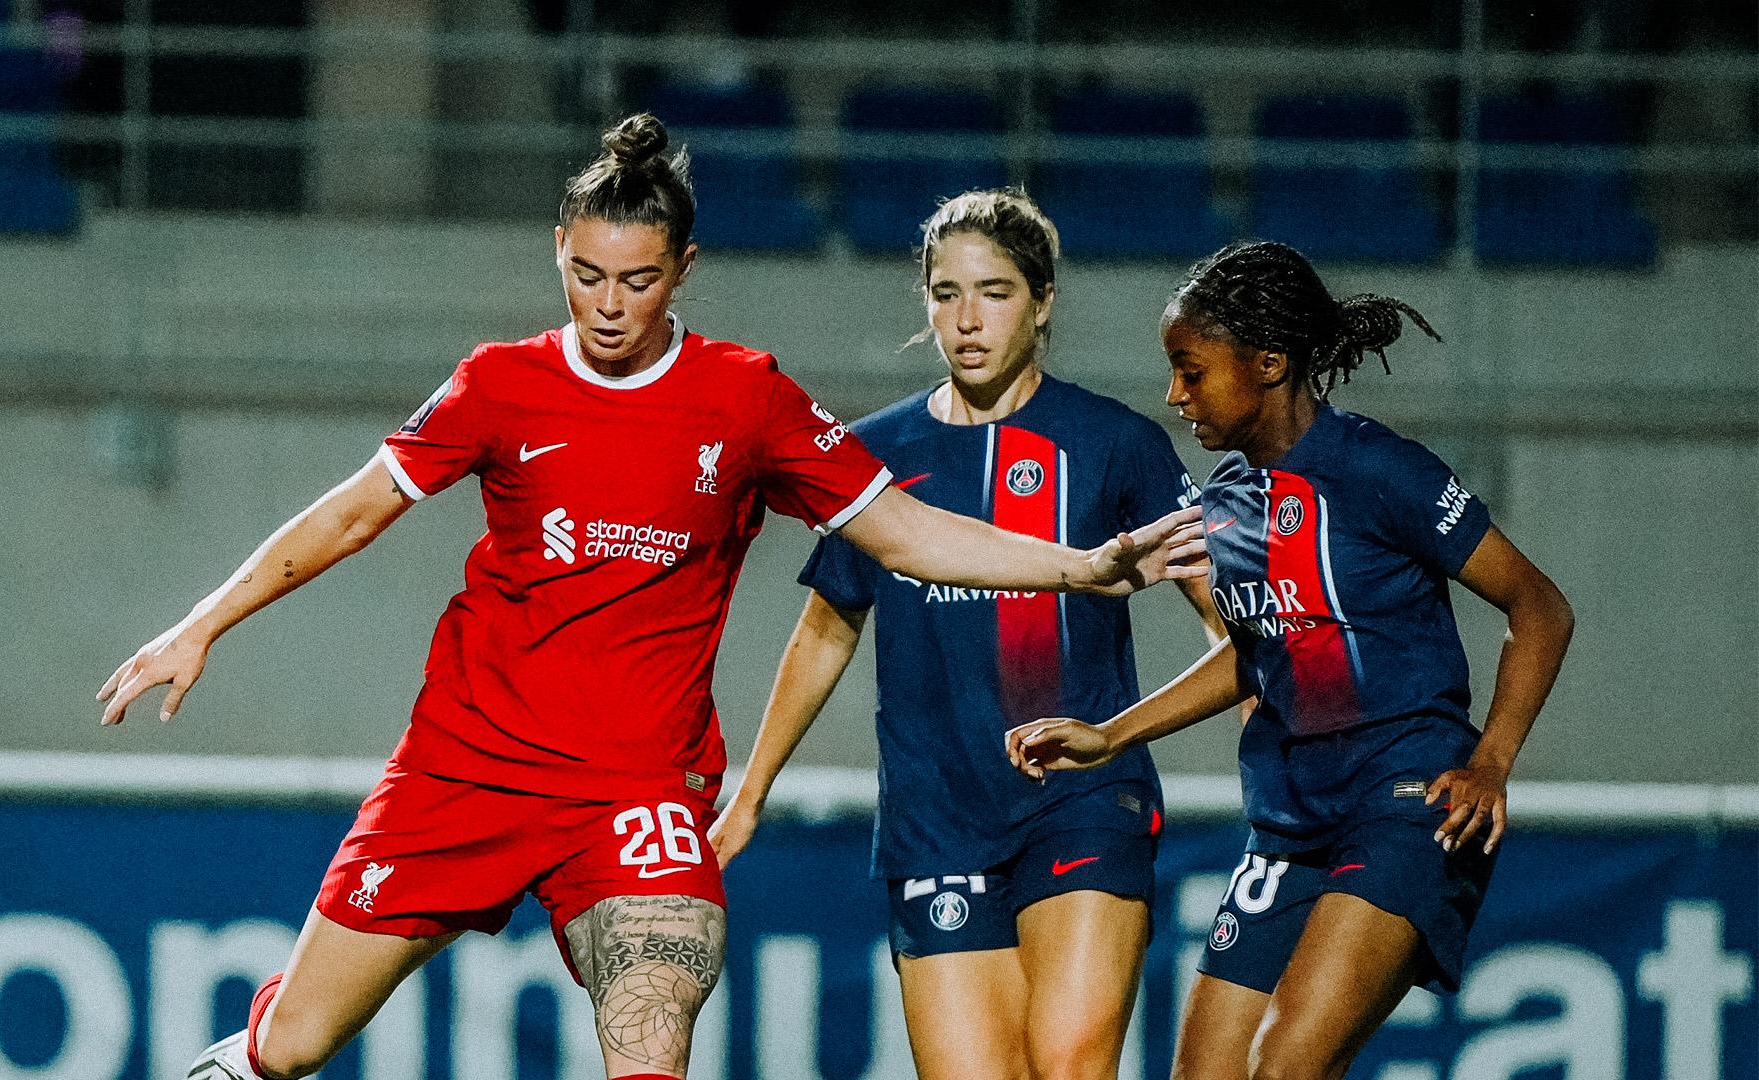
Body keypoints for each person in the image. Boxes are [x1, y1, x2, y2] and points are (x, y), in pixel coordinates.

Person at [96, 115, 1207, 1080]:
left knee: (653, 1013)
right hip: (467, 765)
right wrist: (201, 624)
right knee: (296, 1047)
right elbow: (351, 511)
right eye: (586, 276)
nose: (609, 306)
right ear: (561, 256)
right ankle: (246, 1052)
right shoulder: (500, 384)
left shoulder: (747, 397)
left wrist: (1086, 565)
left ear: (683, 269)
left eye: (637, 280)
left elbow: (906, 530)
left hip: (636, 792)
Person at [1008, 240, 1575, 1080]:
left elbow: (1541, 607)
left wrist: (1492, 759)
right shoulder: (1225, 504)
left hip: (1405, 803)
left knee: (1283, 1065)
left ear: (1268, 363)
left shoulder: (1380, 469)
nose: (1174, 395)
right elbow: (1257, 654)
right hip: (1287, 825)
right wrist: (1111, 736)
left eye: (1191, 371)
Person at [707, 189, 1226, 1080]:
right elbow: (826, 630)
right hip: (934, 820)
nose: (967, 319)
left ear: (1043, 300)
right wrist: (750, 794)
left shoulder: (1116, 445)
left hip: (1082, 800)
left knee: (1067, 1067)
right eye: (946, 294)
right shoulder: (873, 458)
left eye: (993, 291)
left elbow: (1235, 626)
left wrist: (1241, 726)